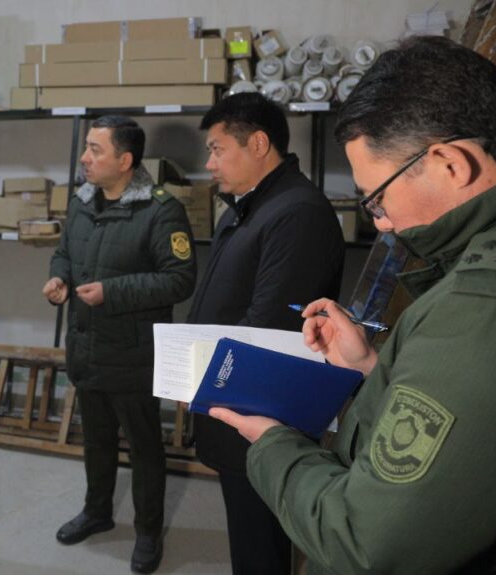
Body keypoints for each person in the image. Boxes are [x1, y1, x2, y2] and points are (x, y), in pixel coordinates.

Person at [211, 36, 496, 573]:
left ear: (449, 163)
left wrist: (273, 442)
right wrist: (374, 367)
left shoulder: (490, 307)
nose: (383, 223)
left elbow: (363, 541)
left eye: (377, 198)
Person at [185, 92, 345, 574]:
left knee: (261, 545)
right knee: (248, 533)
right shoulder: (247, 207)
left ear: (257, 144)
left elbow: (272, 324)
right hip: (232, 402)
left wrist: (204, 370)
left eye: (217, 149)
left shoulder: (297, 212)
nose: (209, 164)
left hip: (259, 415)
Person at [44, 115, 196, 574]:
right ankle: (97, 511)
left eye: (95, 150)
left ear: (125, 160)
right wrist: (58, 277)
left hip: (133, 355)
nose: (84, 158)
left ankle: (148, 531)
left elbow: (179, 279)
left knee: (144, 448)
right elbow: (65, 252)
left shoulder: (161, 210)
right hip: (87, 346)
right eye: (86, 148)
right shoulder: (82, 202)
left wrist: (112, 292)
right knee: (95, 440)